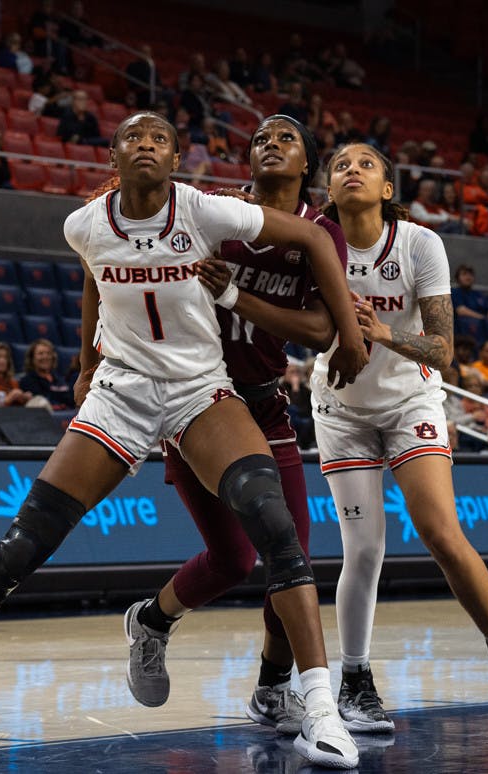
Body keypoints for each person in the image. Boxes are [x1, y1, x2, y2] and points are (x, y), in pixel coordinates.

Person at [0, 111, 367, 770]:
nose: (146, 144)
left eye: (160, 138)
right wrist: (87, 361)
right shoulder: (83, 223)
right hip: (121, 392)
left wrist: (349, 333)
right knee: (21, 546)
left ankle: (318, 707)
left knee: (274, 524)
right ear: (112, 157)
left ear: (177, 159)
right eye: (133, 137)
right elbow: (95, 274)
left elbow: (317, 238)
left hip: (200, 388)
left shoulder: (206, 210)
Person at [308, 141, 488, 731]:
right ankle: (355, 684)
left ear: (387, 188)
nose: (352, 170)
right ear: (329, 188)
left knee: (441, 533)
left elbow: (444, 351)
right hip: (341, 409)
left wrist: (382, 334)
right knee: (363, 549)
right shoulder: (315, 241)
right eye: (341, 165)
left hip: (409, 401)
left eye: (366, 163)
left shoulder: (420, 244)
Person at [120, 115, 357, 740]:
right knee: (231, 560)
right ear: (246, 160)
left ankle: (274, 687)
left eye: (286, 138)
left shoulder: (320, 232)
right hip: (194, 405)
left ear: (307, 163)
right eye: (260, 139)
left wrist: (235, 298)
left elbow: (321, 331)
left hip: (264, 405)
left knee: (290, 555)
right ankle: (152, 621)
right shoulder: (213, 214)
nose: (271, 144)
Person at [18, 338, 75, 410]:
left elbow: (70, 400)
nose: (45, 357)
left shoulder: (60, 379)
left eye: (48, 353)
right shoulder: (26, 381)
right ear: (32, 358)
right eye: (40, 353)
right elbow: (43, 401)